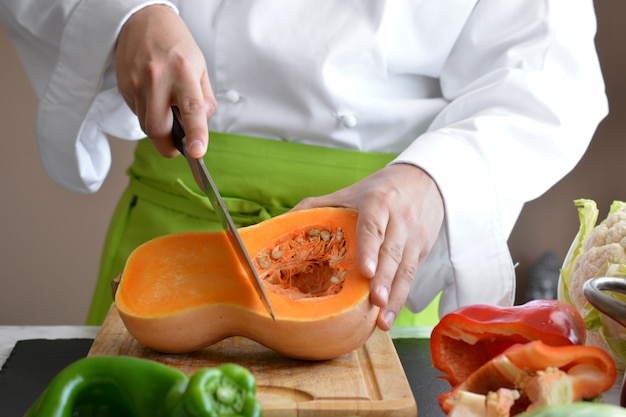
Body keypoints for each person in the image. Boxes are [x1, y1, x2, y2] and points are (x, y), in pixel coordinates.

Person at [0, 1, 607, 329]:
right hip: (181, 217)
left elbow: (552, 74)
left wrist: (432, 179)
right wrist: (126, 15)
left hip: (382, 244)